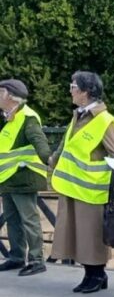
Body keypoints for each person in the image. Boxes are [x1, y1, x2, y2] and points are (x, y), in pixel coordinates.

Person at [51, 71, 114, 293]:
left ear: (86, 92)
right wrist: (53, 159)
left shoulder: (103, 120)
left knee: (91, 233)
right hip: (73, 186)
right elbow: (67, 145)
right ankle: (89, 274)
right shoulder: (78, 116)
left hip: (92, 188)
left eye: (73, 86)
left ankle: (98, 274)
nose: (71, 90)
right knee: (77, 233)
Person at [0, 79, 50, 275]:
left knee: (28, 219)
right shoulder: (9, 117)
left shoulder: (27, 118)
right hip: (9, 178)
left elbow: (39, 141)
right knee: (13, 220)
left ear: (10, 96)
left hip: (24, 177)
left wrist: (50, 159)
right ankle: (17, 257)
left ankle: (37, 260)